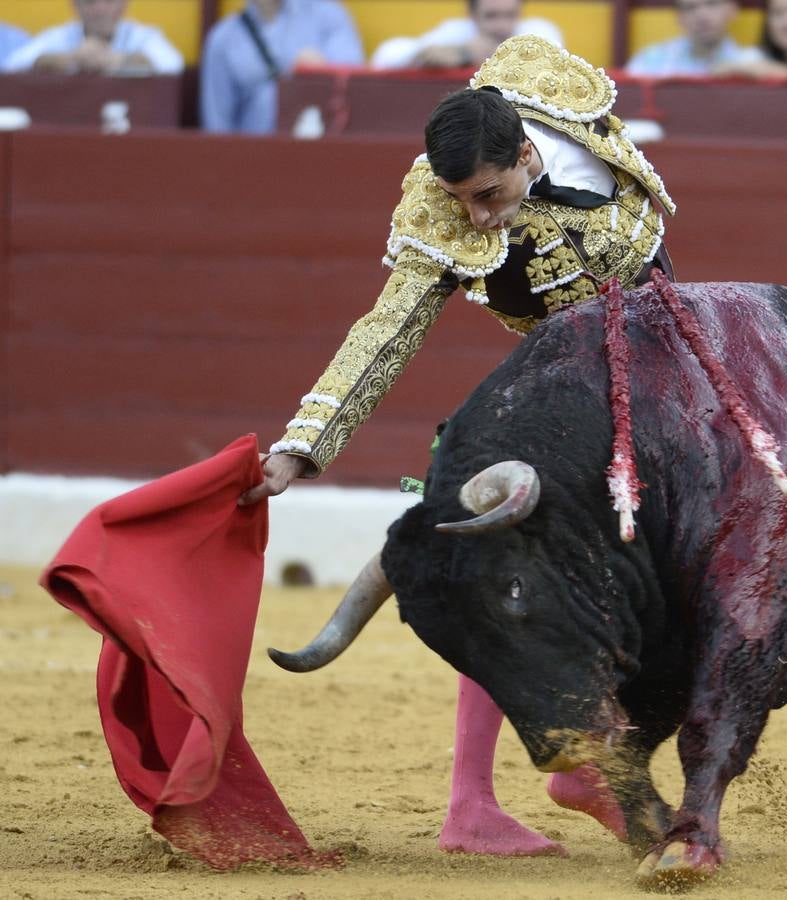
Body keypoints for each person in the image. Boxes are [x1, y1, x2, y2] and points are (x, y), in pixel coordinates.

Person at [239, 35, 676, 857]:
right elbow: (388, 328)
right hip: (556, 401)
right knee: (498, 566)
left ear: (525, 149)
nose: (477, 215)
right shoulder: (441, 208)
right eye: (462, 200)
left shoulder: (550, 90)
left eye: (489, 193)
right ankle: (482, 801)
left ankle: (592, 762)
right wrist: (304, 445)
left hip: (669, 370)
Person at [199, 0, 363, 134]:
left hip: (323, 153)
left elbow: (357, 88)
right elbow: (217, 124)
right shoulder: (222, 39)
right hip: (254, 160)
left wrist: (319, 72)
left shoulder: (329, 16)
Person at [2, 0, 183, 75]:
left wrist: (116, 61)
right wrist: (71, 60)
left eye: (108, 0)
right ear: (75, 5)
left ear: (124, 4)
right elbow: (12, 63)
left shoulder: (143, 36)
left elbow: (173, 64)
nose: (99, 9)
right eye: (90, 0)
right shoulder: (60, 37)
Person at [370, 0, 562, 70]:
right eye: (492, 16)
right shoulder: (457, 31)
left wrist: (468, 56)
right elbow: (385, 56)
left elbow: (556, 62)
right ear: (471, 15)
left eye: (510, 15)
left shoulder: (540, 29)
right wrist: (462, 52)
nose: (502, 26)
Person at [624, 0, 751, 78]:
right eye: (690, 7)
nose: (701, 15)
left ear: (733, 9)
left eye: (712, 3)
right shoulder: (650, 61)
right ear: (679, 17)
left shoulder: (751, 63)